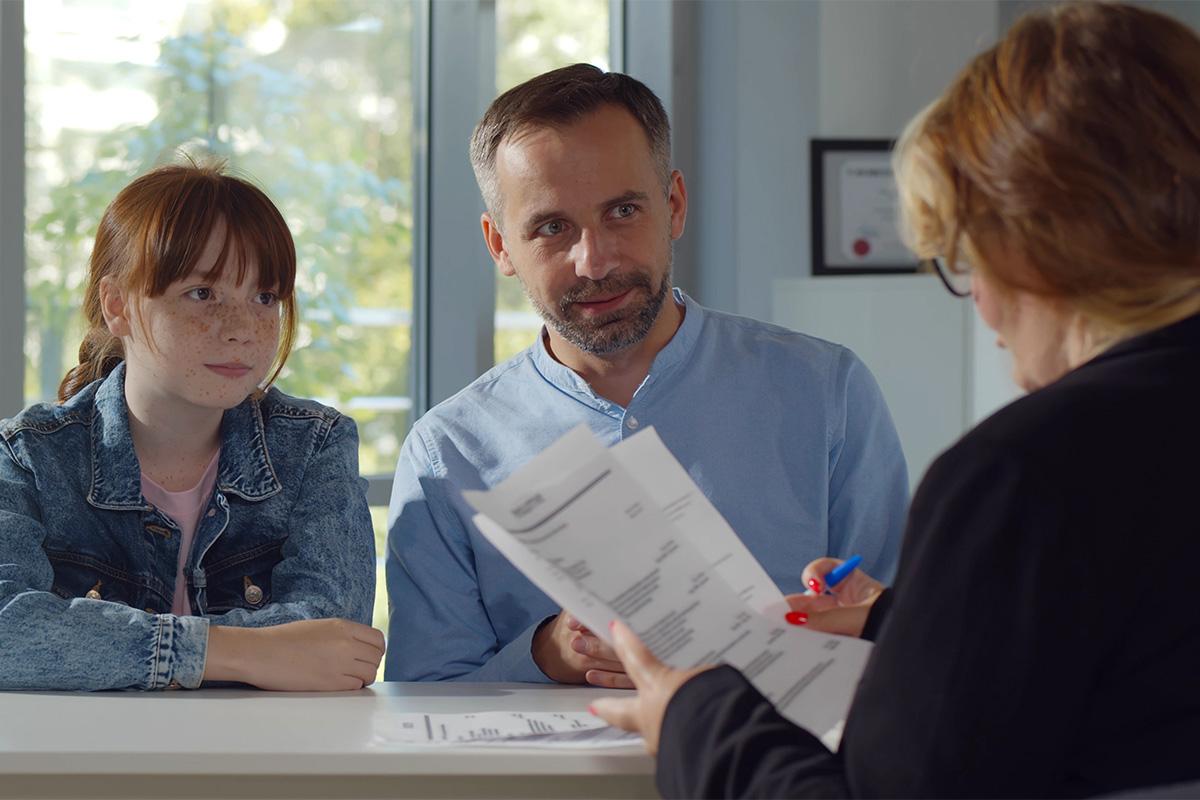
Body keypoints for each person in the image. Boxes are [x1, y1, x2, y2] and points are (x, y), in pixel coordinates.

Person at [592, 3, 1200, 796]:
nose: (978, 303)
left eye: (964, 259)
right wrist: (911, 624)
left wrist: (694, 715)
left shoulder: (1021, 477)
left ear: (1030, 241)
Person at [385, 64, 909, 686]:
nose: (594, 260)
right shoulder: (446, 451)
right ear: (500, 245)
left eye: (623, 211)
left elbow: (914, 642)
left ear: (674, 206)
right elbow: (422, 697)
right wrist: (547, 655)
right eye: (553, 228)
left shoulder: (827, 393)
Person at [0, 162, 384, 691]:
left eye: (265, 297)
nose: (242, 330)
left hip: (269, 763)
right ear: (119, 307)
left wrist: (95, 647)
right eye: (203, 294)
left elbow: (339, 644)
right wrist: (229, 651)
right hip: (83, 767)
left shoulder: (314, 445)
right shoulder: (29, 457)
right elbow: (8, 631)